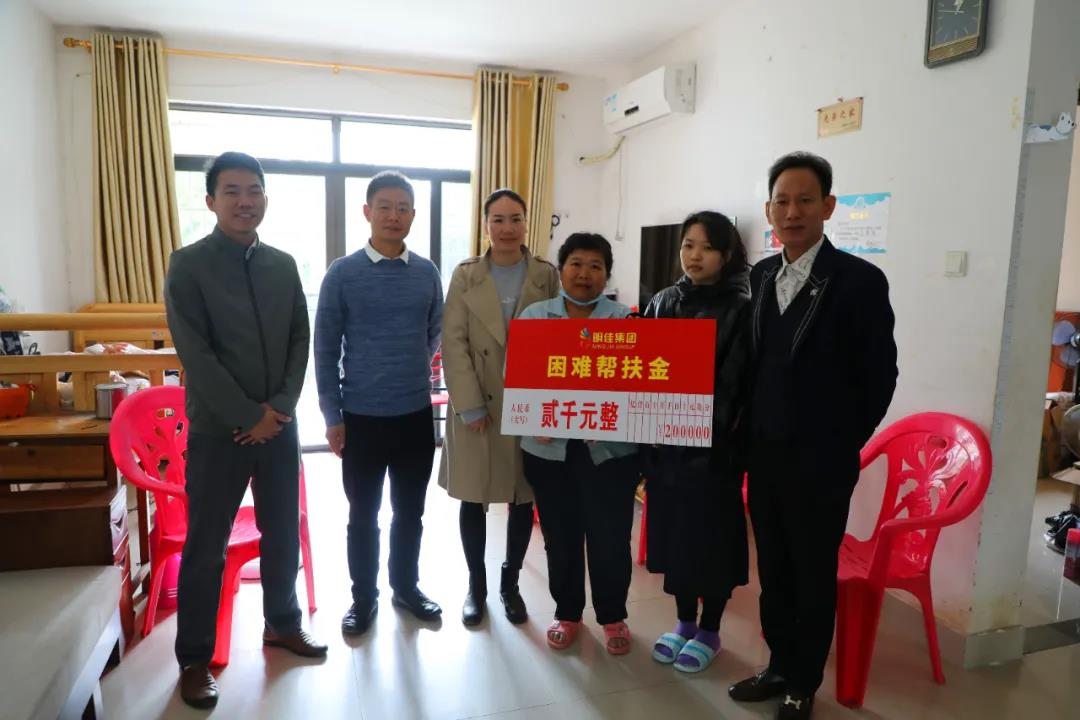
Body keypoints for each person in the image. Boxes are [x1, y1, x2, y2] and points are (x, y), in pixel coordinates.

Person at [728, 152, 897, 720]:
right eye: (782, 201)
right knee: (774, 569)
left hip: (820, 463)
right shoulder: (760, 276)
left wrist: (840, 442)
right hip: (764, 455)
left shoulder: (859, 281)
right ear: (768, 210)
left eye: (805, 200)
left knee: (811, 573)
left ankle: (803, 681)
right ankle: (779, 664)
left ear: (828, 206)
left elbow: (880, 376)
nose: (792, 212)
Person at [165, 151, 326, 710]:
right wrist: (245, 415)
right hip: (218, 431)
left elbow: (300, 339)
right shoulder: (188, 265)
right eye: (231, 191)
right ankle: (194, 659)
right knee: (206, 546)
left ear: (264, 199)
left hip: (278, 428)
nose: (244, 201)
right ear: (210, 201)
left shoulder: (282, 264)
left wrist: (278, 408)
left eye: (253, 190)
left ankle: (281, 622)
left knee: (282, 531)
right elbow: (196, 353)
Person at [314, 170, 445, 636]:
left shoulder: (426, 272)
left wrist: (406, 367)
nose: (394, 216)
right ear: (367, 212)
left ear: (412, 215)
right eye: (385, 207)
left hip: (415, 415)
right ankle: (363, 598)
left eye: (403, 208)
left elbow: (434, 333)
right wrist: (332, 416)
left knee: (411, 511)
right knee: (363, 515)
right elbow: (325, 349)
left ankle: (406, 588)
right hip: (361, 418)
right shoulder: (342, 273)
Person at [438, 189, 560, 627]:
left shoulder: (545, 275)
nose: (507, 228)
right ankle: (477, 586)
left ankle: (510, 585)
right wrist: (470, 405)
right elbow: (453, 342)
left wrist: (545, 407)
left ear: (527, 223)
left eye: (515, 219)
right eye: (498, 219)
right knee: (473, 497)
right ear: (485, 224)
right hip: (477, 406)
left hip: (526, 406)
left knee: (521, 497)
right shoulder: (466, 275)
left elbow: (557, 341)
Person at [642, 210, 753, 674]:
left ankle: (710, 629)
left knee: (711, 543)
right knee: (676, 540)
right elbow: (643, 374)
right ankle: (684, 622)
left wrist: (704, 433)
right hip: (667, 451)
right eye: (688, 245)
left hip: (715, 453)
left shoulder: (742, 307)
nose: (695, 255)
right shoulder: (662, 301)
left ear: (726, 255)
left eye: (707, 247)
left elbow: (736, 385)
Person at [518, 232, 640, 655]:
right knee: (560, 537)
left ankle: (613, 615)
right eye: (576, 263)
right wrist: (532, 418)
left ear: (607, 275)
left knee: (610, 538)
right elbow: (519, 377)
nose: (585, 274)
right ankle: (567, 612)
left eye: (595, 266)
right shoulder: (535, 317)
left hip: (610, 454)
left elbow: (637, 389)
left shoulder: (625, 322)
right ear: (561, 269)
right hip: (548, 451)